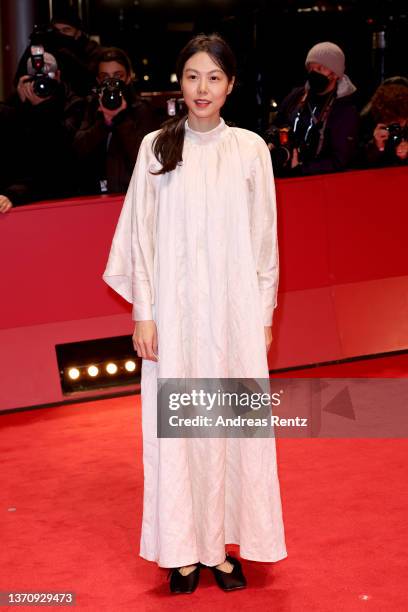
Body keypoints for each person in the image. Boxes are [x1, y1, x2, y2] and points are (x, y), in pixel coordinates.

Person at [102, 33, 287, 594]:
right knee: (179, 435)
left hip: (233, 321)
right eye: (191, 77)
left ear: (230, 85)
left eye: (213, 77)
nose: (202, 88)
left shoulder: (251, 149)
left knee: (229, 434)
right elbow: (139, 238)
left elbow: (264, 241)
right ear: (177, 85)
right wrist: (144, 313)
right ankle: (183, 552)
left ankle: (224, 549)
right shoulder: (156, 148)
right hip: (175, 322)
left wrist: (262, 315)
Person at [73, 47, 159, 195]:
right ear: (98, 80)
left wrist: (120, 119)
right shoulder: (91, 107)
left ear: (128, 77)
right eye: (105, 77)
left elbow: (147, 160)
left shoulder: (142, 109)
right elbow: (78, 149)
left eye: (118, 76)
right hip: (94, 194)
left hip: (129, 195)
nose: (112, 83)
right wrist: (104, 123)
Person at [266, 41, 359, 176]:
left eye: (320, 69)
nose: (314, 73)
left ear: (335, 74)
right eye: (311, 68)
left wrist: (301, 170)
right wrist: (271, 141)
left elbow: (340, 160)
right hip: (284, 174)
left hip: (319, 183)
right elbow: (277, 124)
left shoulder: (344, 109)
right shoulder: (297, 96)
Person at [5, 51, 83, 205]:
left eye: (49, 77)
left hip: (61, 195)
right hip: (23, 197)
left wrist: (42, 108)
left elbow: (62, 150)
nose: (42, 84)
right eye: (36, 78)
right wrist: (22, 104)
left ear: (58, 75)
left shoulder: (73, 104)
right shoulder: (13, 109)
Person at [13, 5, 100, 97]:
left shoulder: (91, 51)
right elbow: (20, 79)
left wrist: (66, 56)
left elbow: (90, 86)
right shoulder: (45, 47)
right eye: (56, 31)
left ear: (78, 33)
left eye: (66, 30)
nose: (60, 35)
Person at [358, 76, 408, 168]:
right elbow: (357, 163)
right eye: (390, 120)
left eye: (401, 120)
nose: (396, 125)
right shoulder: (368, 121)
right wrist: (376, 146)